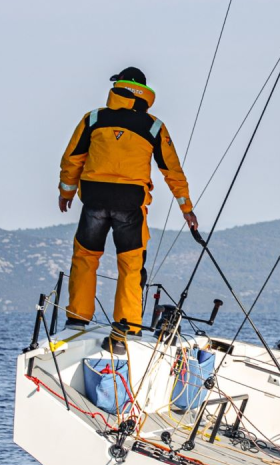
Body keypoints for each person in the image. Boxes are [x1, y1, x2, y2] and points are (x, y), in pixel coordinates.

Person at [58, 67, 198, 350]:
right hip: (130, 203)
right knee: (131, 265)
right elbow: (172, 170)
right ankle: (127, 325)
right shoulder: (153, 126)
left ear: (118, 88)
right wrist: (186, 208)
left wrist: (66, 191)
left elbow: (72, 158)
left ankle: (77, 320)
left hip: (94, 199)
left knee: (85, 256)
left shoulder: (93, 118)